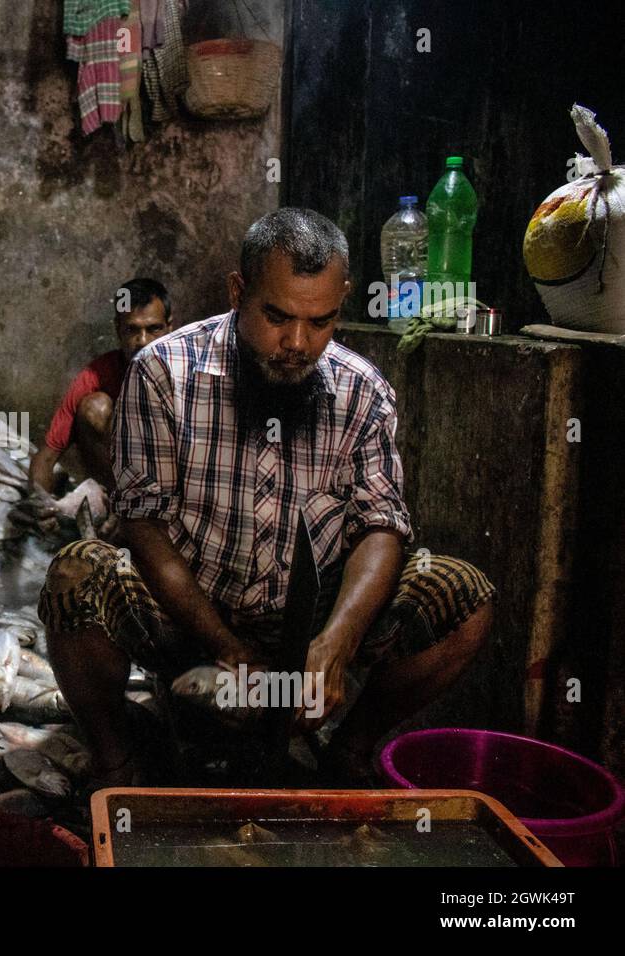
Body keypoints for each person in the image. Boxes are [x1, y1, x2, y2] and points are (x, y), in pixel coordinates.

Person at [37, 208, 496, 786]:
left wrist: (335, 642)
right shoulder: (162, 375)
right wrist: (226, 647)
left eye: (320, 321)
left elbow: (382, 525)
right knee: (75, 577)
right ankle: (120, 765)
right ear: (238, 291)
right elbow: (144, 526)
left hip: (310, 622)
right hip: (189, 617)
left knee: (465, 598)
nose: (297, 344)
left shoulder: (364, 392)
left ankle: (348, 754)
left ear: (343, 301)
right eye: (277, 317)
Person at [29, 278, 173, 495]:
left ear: (170, 328)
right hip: (123, 484)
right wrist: (39, 503)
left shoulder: (189, 372)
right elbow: (47, 456)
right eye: (131, 329)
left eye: (153, 329)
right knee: (95, 407)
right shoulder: (96, 375)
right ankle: (117, 505)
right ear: (118, 330)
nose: (142, 341)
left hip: (174, 483)